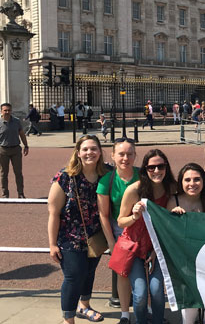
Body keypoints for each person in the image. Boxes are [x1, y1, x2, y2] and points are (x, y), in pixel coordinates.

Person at [47, 134, 109, 323]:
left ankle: (85, 306)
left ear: (100, 152)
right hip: (69, 236)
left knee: (89, 272)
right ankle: (68, 318)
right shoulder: (65, 176)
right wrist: (52, 244)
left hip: (94, 234)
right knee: (74, 276)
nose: (90, 152)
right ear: (78, 152)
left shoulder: (106, 174)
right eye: (85, 149)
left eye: (93, 149)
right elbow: (53, 212)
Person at [119, 149, 177, 324]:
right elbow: (121, 221)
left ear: (166, 167)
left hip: (157, 245)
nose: (157, 171)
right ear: (145, 169)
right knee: (140, 293)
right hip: (134, 245)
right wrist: (135, 216)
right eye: (152, 167)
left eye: (161, 166)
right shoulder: (134, 190)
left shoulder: (171, 188)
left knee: (157, 289)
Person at [171, 163, 205, 324]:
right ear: (181, 182)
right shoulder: (173, 200)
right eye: (187, 180)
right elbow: (167, 231)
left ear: (203, 181)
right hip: (185, 264)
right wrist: (172, 217)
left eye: (197, 179)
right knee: (188, 318)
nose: (192, 184)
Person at [97, 138, 139, 324]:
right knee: (123, 272)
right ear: (113, 156)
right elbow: (104, 214)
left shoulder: (142, 175)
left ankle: (143, 309)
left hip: (142, 228)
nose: (125, 158)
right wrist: (111, 243)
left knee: (143, 270)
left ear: (135, 156)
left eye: (129, 154)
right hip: (119, 229)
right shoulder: (107, 181)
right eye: (121, 154)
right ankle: (124, 313)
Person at [0, 103, 29, 198]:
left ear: (11, 111)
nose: (7, 112)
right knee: (4, 173)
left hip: (16, 149)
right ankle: (5, 194)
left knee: (18, 173)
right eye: (5, 110)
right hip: (2, 150)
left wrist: (26, 145)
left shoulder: (16, 121)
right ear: (1, 111)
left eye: (9, 110)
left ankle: (20, 193)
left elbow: (21, 134)